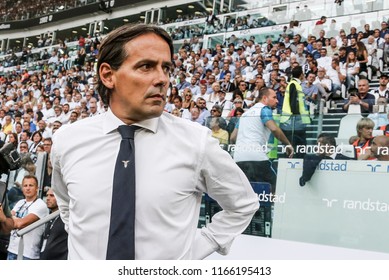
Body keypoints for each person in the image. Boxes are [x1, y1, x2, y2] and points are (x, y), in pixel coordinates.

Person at [51, 24, 258, 260]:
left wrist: (193, 252)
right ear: (108, 75)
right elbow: (67, 206)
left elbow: (243, 204)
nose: (162, 79)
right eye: (146, 66)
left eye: (166, 68)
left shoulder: (195, 142)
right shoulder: (67, 141)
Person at [234, 87, 293, 193]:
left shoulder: (244, 114)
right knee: (275, 187)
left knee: (248, 192)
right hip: (256, 157)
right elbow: (274, 128)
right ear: (265, 98)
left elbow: (233, 137)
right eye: (274, 97)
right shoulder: (264, 109)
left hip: (239, 157)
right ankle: (272, 209)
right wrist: (287, 144)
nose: (277, 100)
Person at [7, 175, 49, 260]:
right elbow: (8, 218)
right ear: (22, 188)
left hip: (27, 255)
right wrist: (12, 218)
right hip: (12, 250)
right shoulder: (20, 202)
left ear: (37, 188)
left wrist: (13, 218)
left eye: (31, 185)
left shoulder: (40, 205)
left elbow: (21, 224)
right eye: (25, 186)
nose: (28, 188)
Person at [280, 66, 311, 158]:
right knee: (296, 148)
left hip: (298, 122)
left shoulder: (294, 84)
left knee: (300, 147)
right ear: (301, 74)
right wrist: (296, 115)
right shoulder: (293, 84)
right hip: (292, 122)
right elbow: (293, 102)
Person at [40, 188, 68, 260]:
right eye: (47, 195)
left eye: (52, 196)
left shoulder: (66, 218)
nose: (48, 198)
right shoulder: (49, 217)